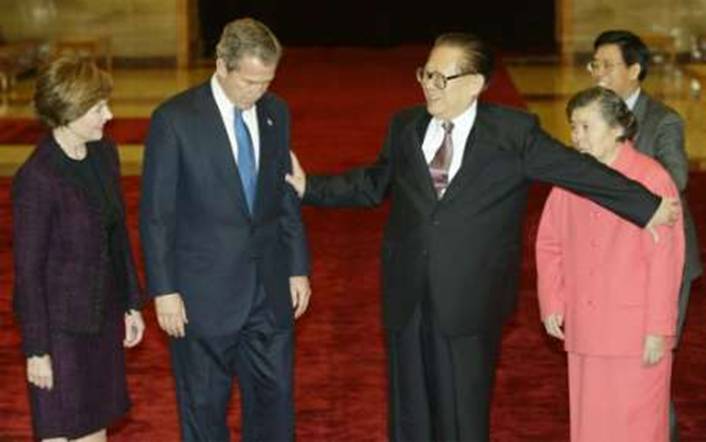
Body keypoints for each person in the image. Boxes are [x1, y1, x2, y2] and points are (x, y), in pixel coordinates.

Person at [285, 33, 679, 441]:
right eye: (426, 74)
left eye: (441, 77)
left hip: (472, 298)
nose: (429, 85)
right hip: (408, 294)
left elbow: (576, 170)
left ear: (474, 83)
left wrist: (645, 205)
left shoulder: (512, 132)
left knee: (463, 416)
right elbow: (372, 183)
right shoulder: (406, 125)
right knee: (410, 415)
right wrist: (309, 187)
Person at [139, 18, 310, 441]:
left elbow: (283, 195)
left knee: (275, 407)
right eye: (249, 82)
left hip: (268, 290)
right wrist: (164, 290)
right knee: (205, 412)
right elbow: (157, 213)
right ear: (221, 65)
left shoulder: (276, 112)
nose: (259, 92)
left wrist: (297, 267)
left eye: (267, 82)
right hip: (202, 295)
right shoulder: (175, 120)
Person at [536, 86, 684, 441]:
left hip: (634, 331)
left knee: (637, 427)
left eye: (586, 127)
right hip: (586, 328)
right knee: (591, 425)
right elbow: (549, 242)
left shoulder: (652, 178)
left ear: (617, 128)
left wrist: (658, 328)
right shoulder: (571, 177)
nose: (577, 136)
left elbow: (666, 262)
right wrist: (553, 301)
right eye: (573, 127)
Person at [12, 56, 145, 442]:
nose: (110, 115)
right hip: (60, 332)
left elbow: (117, 234)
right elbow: (28, 272)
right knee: (60, 430)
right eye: (98, 108)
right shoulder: (37, 178)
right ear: (69, 112)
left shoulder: (104, 154)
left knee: (94, 430)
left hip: (102, 319)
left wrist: (131, 303)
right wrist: (37, 350)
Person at [590, 30, 703, 441]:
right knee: (612, 365)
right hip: (611, 260)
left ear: (635, 70)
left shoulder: (663, 120)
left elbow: (674, 181)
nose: (598, 73)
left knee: (651, 366)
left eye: (608, 65)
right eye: (594, 65)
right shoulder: (593, 117)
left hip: (662, 259)